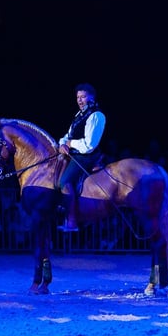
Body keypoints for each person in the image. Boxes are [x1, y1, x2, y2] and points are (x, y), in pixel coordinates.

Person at [57, 83, 106, 231]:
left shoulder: (96, 115)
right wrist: (62, 144)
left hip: (86, 156)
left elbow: (89, 145)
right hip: (74, 152)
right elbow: (68, 135)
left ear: (92, 97)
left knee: (64, 182)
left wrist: (70, 143)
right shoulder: (79, 115)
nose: (80, 100)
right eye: (78, 97)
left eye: (83, 97)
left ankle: (71, 221)